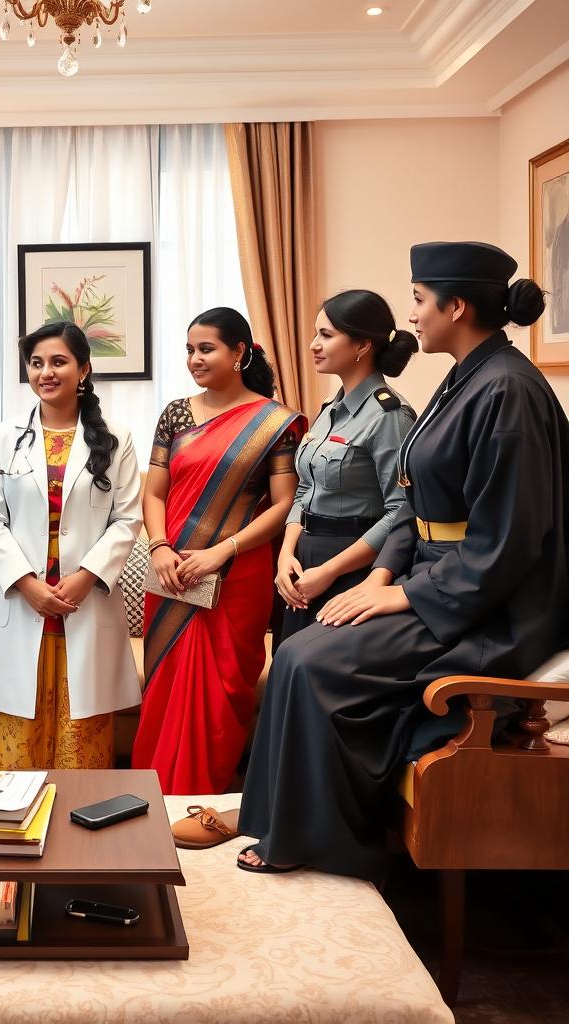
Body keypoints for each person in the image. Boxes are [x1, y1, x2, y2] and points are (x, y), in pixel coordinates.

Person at [238, 241, 569, 878]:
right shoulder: (470, 375)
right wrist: (387, 574)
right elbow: (415, 511)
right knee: (299, 651)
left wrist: (407, 596)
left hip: (492, 610)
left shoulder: (508, 391)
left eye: (419, 300)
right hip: (441, 582)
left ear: (458, 304)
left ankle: (324, 844)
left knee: (311, 663)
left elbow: (509, 539)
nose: (411, 315)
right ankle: (281, 826)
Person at [132, 307, 305, 795]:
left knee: (223, 689)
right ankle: (153, 799)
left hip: (238, 574)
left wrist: (221, 551)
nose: (194, 359)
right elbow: (154, 494)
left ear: (239, 353)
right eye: (189, 349)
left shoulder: (275, 422)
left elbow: (284, 504)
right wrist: (161, 547)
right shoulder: (176, 414)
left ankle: (202, 800)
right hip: (171, 572)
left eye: (205, 348)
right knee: (166, 685)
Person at [0, 321, 142, 770]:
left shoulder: (117, 439)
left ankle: (78, 833)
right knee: (14, 740)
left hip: (82, 602)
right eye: (36, 362)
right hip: (23, 601)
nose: (46, 372)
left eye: (59, 362)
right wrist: (27, 584)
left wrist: (87, 577)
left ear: (84, 369)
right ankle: (6, 830)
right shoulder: (4, 437)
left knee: (79, 738)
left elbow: (127, 519)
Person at [276, 290, 417, 644]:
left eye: (326, 335)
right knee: (286, 663)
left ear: (362, 345)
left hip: (352, 565)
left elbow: (401, 510)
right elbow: (306, 489)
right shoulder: (329, 408)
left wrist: (328, 572)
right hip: (303, 559)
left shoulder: (389, 415)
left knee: (320, 678)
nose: (312, 344)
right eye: (315, 334)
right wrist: (285, 554)